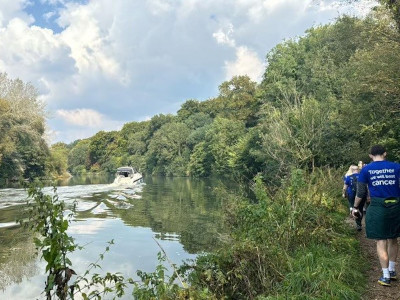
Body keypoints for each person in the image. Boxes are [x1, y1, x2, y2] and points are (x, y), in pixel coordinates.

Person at [352, 145, 400, 286]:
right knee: (393, 238)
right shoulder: (396, 167)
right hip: (396, 206)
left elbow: (360, 192)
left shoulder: (366, 169)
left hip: (378, 206)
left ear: (370, 155)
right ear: (385, 153)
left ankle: (385, 276)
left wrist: (355, 207)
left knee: (381, 240)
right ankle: (392, 271)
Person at [342, 165, 365, 231]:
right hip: (361, 195)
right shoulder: (362, 176)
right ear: (358, 170)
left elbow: (344, 188)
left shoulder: (348, 177)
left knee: (353, 206)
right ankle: (359, 222)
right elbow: (366, 186)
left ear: (351, 170)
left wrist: (344, 194)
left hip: (351, 194)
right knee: (360, 208)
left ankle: (357, 221)